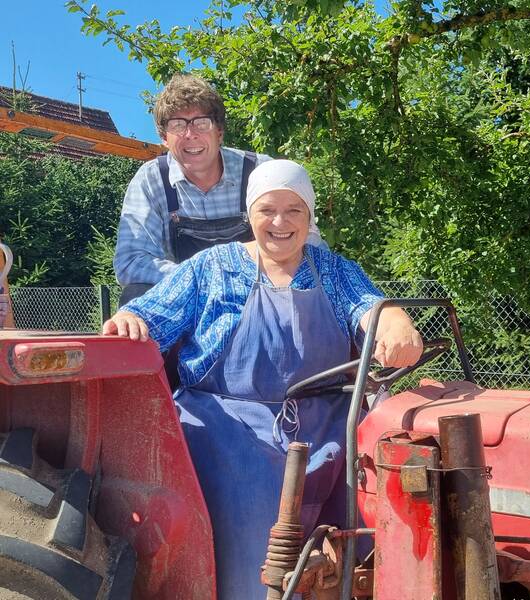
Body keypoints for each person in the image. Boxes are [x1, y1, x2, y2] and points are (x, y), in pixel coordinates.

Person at [102, 159, 423, 599]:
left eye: (294, 210)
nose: (280, 222)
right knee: (255, 561)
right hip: (227, 434)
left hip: (326, 429)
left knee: (360, 540)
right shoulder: (210, 267)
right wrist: (129, 318)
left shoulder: (332, 269)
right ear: (249, 214)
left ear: (309, 217)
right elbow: (150, 315)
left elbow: (369, 307)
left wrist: (395, 323)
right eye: (268, 209)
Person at [113, 73, 319, 304]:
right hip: (188, 299)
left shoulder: (261, 171)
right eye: (178, 125)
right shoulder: (152, 180)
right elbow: (130, 261)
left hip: (261, 295)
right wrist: (203, 280)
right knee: (134, 295)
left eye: (201, 123)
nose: (190, 135)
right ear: (164, 138)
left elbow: (310, 242)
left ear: (219, 132)